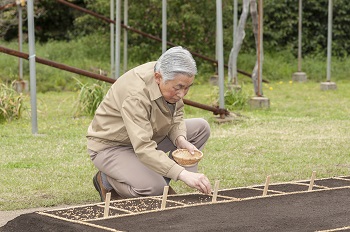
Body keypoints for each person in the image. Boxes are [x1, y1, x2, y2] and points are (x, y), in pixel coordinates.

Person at [87, 46, 212, 201]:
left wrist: (180, 139)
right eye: (178, 88)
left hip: (147, 137)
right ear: (158, 77)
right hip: (113, 147)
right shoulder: (135, 94)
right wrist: (182, 173)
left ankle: (153, 175)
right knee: (154, 189)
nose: (182, 94)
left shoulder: (169, 73)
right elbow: (144, 147)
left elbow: (177, 114)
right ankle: (107, 179)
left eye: (187, 87)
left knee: (201, 128)